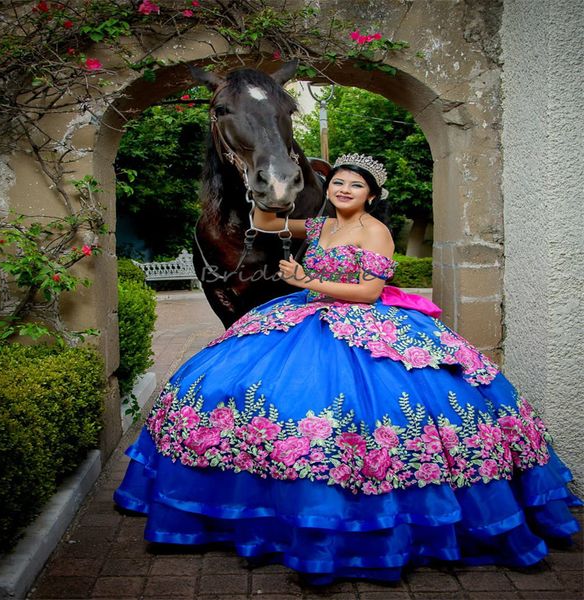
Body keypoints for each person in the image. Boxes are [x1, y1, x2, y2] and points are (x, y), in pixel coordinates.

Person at [114, 154, 580, 584]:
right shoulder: (317, 227)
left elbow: (370, 293)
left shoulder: (375, 231)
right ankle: (236, 504)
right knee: (221, 386)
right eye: (337, 182)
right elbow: (264, 220)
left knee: (381, 409)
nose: (343, 189)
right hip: (306, 312)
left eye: (354, 185)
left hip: (361, 319)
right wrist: (261, 180)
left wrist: (305, 279)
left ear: (370, 195)